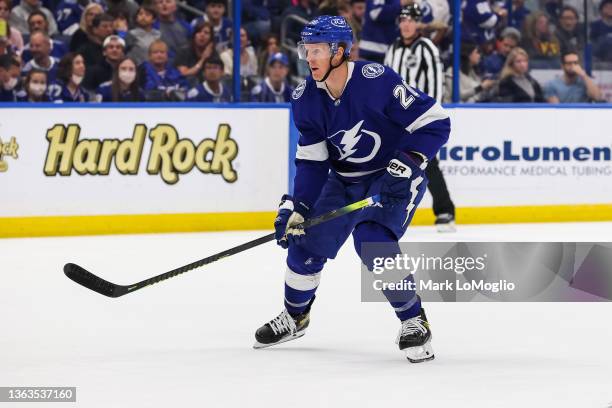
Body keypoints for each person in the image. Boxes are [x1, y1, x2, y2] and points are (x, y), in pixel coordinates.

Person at [253, 16, 450, 362]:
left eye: (317, 50)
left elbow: (435, 122)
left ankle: (413, 320)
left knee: (373, 240)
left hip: (393, 174)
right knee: (304, 245)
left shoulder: (377, 81)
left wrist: (408, 160)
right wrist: (299, 206)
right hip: (343, 178)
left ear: (340, 51)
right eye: (306, 50)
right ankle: (296, 316)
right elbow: (313, 162)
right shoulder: (305, 99)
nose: (309, 58)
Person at [384, 4, 455, 231]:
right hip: (394, 120)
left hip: (419, 118)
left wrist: (427, 119)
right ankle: (386, 212)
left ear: (418, 23)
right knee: (389, 165)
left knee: (427, 163)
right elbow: (384, 83)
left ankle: (445, 211)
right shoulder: (393, 48)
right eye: (402, 20)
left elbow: (435, 86)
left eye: (410, 20)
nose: (406, 24)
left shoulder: (427, 48)